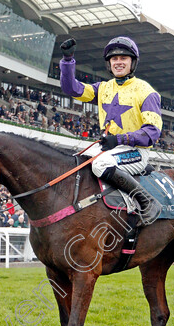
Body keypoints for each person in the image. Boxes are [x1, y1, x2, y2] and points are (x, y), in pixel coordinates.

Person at [58, 36, 162, 225]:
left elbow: (152, 133)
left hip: (136, 151)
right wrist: (67, 60)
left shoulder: (147, 92)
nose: (118, 62)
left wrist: (120, 139)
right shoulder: (104, 88)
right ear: (109, 64)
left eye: (124, 58)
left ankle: (147, 202)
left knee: (100, 165)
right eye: (114, 59)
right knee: (75, 161)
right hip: (109, 148)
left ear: (133, 62)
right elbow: (72, 89)